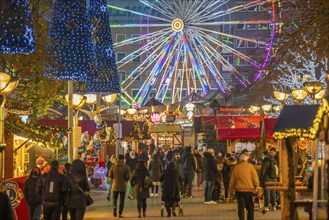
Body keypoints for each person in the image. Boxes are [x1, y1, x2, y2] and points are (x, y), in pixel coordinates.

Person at [229, 153, 260, 220]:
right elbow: (255, 179)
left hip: (239, 190)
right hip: (249, 190)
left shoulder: (236, 168)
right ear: (247, 160)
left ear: (240, 160)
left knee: (241, 207)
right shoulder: (251, 167)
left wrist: (231, 193)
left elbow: (232, 181)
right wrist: (257, 186)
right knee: (250, 207)